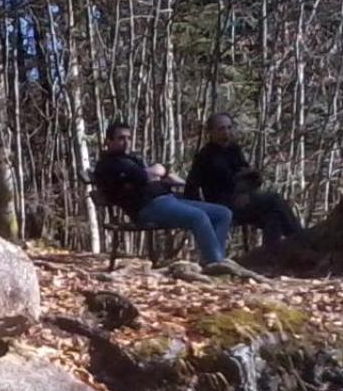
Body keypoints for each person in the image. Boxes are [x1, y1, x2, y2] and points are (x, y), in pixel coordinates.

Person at [92, 119, 242, 275]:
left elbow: (155, 175)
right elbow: (147, 174)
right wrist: (156, 171)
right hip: (148, 208)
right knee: (199, 217)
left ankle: (215, 260)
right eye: (121, 138)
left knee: (223, 213)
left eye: (129, 138)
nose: (126, 142)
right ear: (109, 141)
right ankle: (217, 268)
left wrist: (172, 180)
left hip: (168, 200)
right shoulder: (108, 164)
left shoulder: (132, 159)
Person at [184, 113, 303, 248]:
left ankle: (270, 256)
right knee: (274, 199)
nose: (226, 132)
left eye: (229, 128)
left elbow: (250, 176)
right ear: (211, 132)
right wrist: (205, 212)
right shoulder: (204, 156)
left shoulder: (234, 150)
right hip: (221, 206)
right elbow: (191, 188)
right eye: (221, 129)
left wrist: (245, 191)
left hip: (243, 199)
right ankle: (300, 239)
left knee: (274, 215)